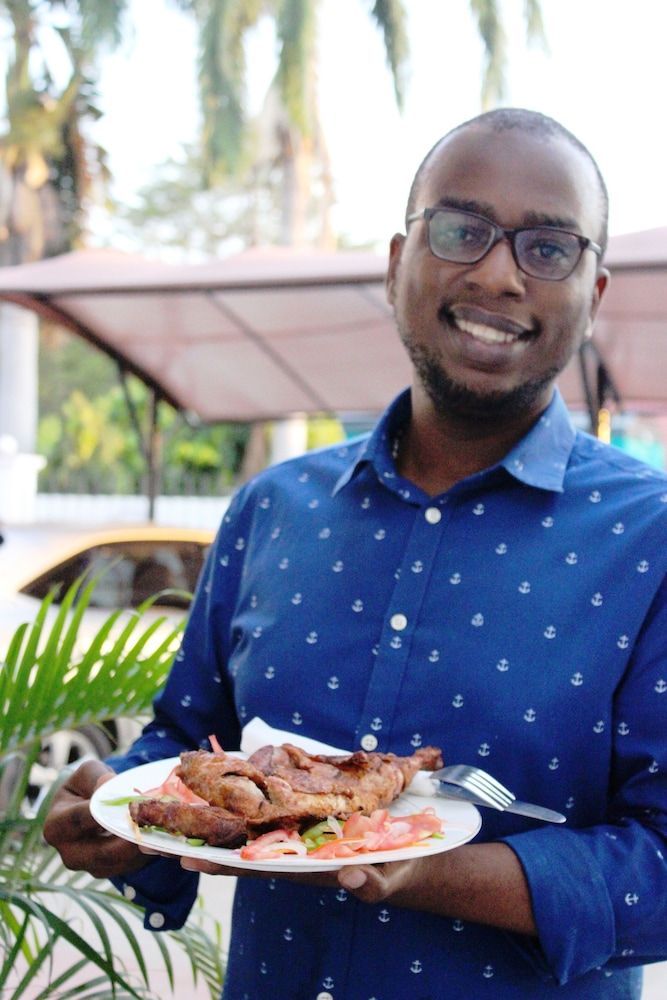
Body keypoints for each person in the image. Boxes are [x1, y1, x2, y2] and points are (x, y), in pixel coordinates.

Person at [44, 108, 667, 999]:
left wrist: (417, 866)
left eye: (548, 247)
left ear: (594, 293)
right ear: (393, 264)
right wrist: (117, 815)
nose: (497, 272)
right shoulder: (272, 509)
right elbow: (186, 740)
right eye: (460, 230)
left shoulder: (649, 538)